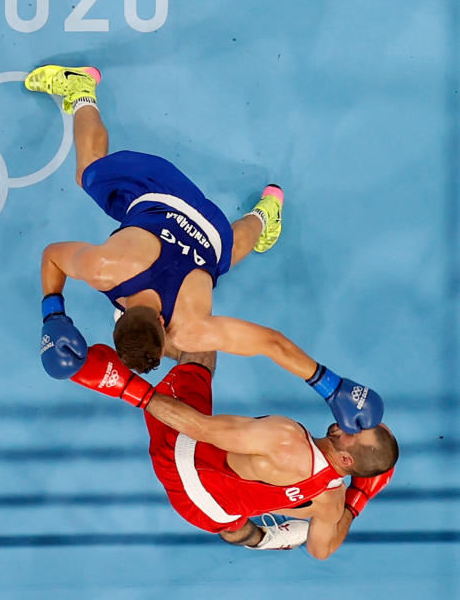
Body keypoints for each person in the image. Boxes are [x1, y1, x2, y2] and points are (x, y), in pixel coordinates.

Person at [28, 64, 383, 431]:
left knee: (216, 255)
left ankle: (267, 212)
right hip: (163, 196)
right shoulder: (104, 270)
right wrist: (53, 315)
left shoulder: (193, 330)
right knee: (91, 175)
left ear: (165, 329)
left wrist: (333, 387)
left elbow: (272, 343)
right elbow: (53, 255)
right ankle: (81, 92)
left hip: (210, 230)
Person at [68, 341, 397, 555]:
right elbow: (320, 549)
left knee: (199, 351)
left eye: (357, 430)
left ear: (345, 457)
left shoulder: (287, 438)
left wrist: (125, 386)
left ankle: (137, 332)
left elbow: (198, 427)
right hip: (206, 512)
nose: (353, 421)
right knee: (235, 523)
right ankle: (265, 540)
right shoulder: (332, 500)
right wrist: (359, 499)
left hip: (180, 456)